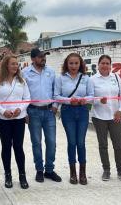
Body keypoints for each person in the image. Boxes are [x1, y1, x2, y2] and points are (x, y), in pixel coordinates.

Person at [22, 48, 62, 183]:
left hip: (49, 112)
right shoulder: (25, 73)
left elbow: (55, 91)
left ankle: (49, 170)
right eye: (40, 57)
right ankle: (39, 170)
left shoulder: (50, 72)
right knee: (36, 143)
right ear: (33, 59)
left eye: (44, 56)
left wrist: (56, 106)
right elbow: (22, 94)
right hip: (33, 112)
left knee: (51, 142)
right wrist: (24, 112)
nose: (43, 59)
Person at [0, 55, 30, 189]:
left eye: (16, 64)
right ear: (6, 65)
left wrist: (20, 109)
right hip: (3, 120)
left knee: (18, 147)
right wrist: (3, 111)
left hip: (19, 119)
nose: (15, 66)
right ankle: (8, 175)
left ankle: (22, 175)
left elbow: (27, 98)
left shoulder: (22, 81)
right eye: (13, 64)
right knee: (6, 147)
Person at [54, 53, 94, 185]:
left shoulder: (86, 78)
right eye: (71, 63)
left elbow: (91, 96)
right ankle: (73, 173)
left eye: (76, 63)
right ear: (66, 64)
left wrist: (84, 100)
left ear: (80, 64)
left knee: (81, 142)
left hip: (82, 112)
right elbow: (56, 96)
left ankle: (82, 173)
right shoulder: (60, 78)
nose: (73, 66)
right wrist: (69, 101)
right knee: (72, 142)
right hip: (67, 112)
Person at [91, 55, 121, 183]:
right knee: (103, 145)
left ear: (110, 65)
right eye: (103, 63)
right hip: (99, 117)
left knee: (118, 145)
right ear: (98, 64)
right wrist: (98, 101)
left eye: (107, 63)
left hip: (115, 117)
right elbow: (90, 100)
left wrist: (120, 111)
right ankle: (106, 170)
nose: (105, 65)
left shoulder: (116, 78)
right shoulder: (93, 80)